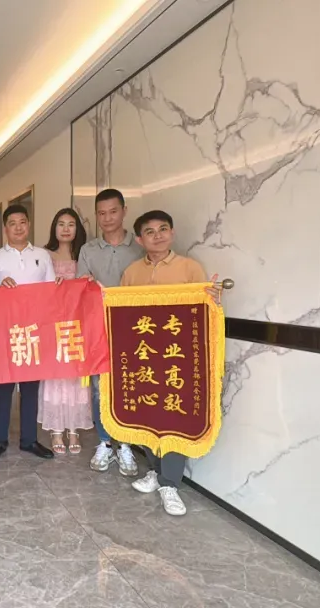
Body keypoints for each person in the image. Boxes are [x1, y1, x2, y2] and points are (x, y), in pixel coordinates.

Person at [121, 209, 214, 517]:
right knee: (148, 413)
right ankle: (155, 470)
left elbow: (204, 310)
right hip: (144, 356)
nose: (157, 236)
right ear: (139, 240)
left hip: (178, 356)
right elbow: (122, 314)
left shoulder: (190, 268)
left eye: (163, 229)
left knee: (174, 415)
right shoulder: (132, 273)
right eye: (149, 231)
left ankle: (169, 483)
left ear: (172, 233)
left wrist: (213, 299)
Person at [76, 188, 145, 475]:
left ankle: (126, 444)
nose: (107, 218)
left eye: (113, 211)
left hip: (134, 330)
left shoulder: (140, 247)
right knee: (98, 388)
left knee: (129, 386)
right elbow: (80, 289)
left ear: (124, 211)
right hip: (98, 330)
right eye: (101, 213)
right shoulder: (88, 250)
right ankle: (105, 442)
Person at [0, 204, 56, 462]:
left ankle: (29, 440)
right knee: (3, 387)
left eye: (22, 222)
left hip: (34, 330)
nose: (18, 227)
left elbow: (51, 292)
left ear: (28, 224)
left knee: (30, 387)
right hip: (6, 330)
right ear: (5, 228)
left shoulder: (42, 255)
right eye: (12, 223)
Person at [39, 209, 93, 455]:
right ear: (54, 227)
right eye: (61, 224)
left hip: (78, 324)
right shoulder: (44, 254)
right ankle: (56, 429)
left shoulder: (85, 254)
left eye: (71, 224)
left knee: (76, 377)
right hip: (53, 324)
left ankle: (73, 429)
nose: (66, 229)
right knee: (55, 376)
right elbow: (37, 288)